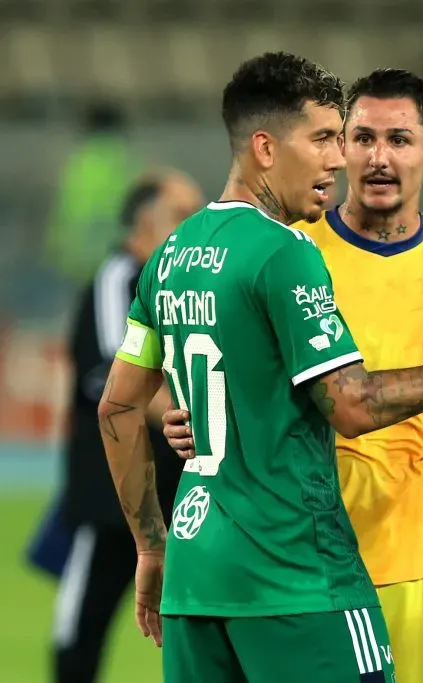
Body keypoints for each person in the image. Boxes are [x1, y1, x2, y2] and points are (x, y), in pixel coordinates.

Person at [98, 52, 423, 683]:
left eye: (394, 140)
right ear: (266, 147)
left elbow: (120, 404)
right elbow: (352, 405)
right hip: (303, 565)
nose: (352, 159)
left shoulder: (174, 252)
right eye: (338, 139)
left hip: (235, 567)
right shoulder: (292, 250)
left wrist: (153, 543)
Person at [44, 169, 203, 683]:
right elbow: (116, 379)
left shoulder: (187, 283)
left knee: (202, 629)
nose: (194, 226)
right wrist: (194, 419)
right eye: (182, 215)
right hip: (112, 496)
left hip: (183, 493)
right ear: (143, 224)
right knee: (82, 628)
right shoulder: (119, 281)